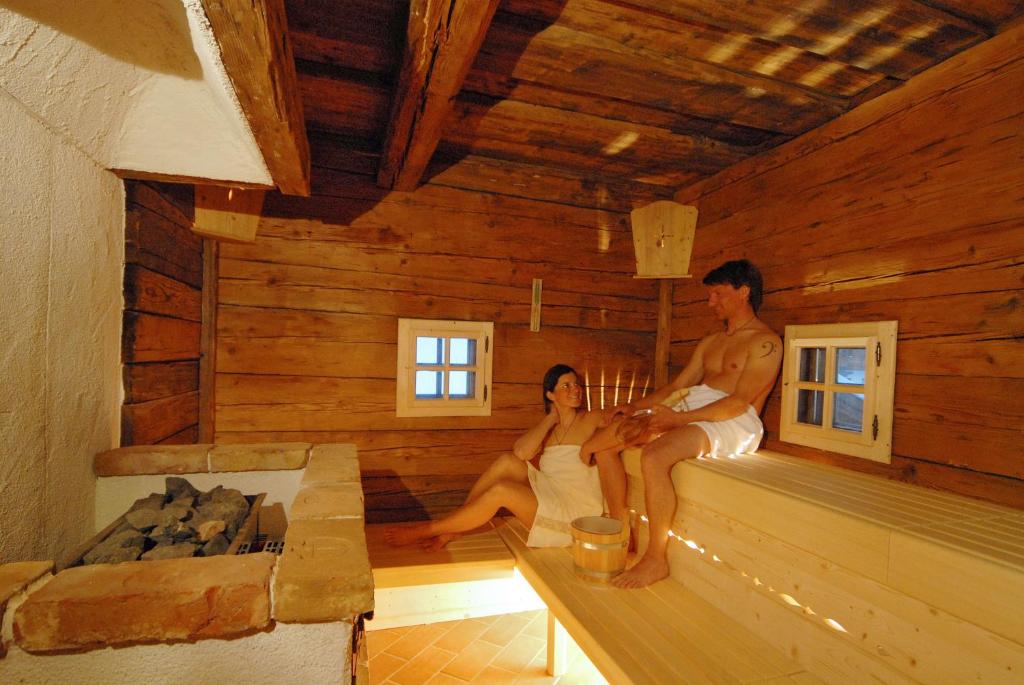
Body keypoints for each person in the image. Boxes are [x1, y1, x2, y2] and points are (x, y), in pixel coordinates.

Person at [582, 259, 782, 588]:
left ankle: (655, 559)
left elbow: (738, 402)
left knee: (654, 456)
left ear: (744, 292)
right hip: (696, 405)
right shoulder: (711, 342)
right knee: (607, 442)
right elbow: (677, 387)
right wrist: (633, 407)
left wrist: (678, 419)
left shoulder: (765, 343)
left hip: (735, 420)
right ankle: (620, 530)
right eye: (710, 295)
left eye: (718, 294)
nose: (711, 302)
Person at [384, 364, 604, 550]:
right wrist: (550, 419)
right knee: (507, 461)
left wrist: (596, 442)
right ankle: (454, 528)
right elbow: (521, 453)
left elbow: (619, 426)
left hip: (573, 513)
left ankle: (428, 529)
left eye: (576, 384)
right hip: (552, 493)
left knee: (502, 491)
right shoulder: (550, 429)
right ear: (550, 395)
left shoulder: (592, 419)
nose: (575, 389)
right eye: (566, 385)